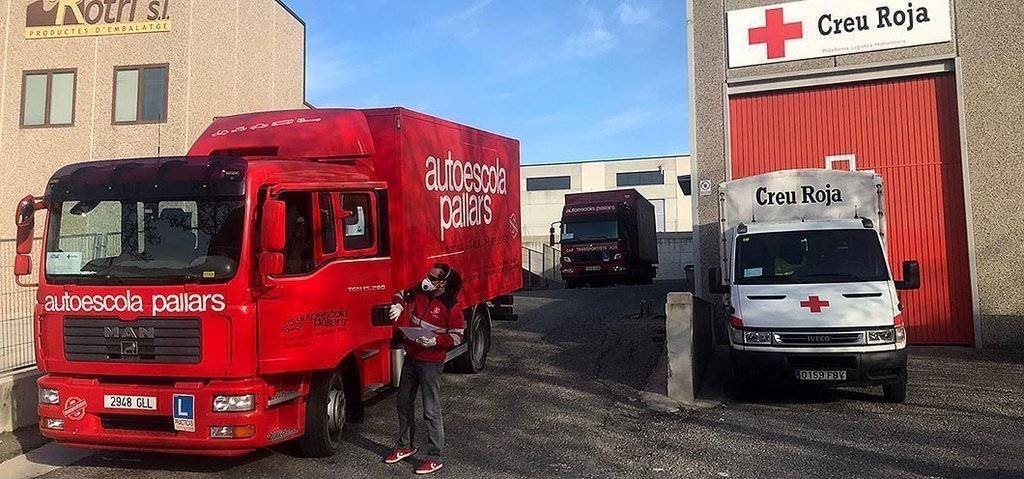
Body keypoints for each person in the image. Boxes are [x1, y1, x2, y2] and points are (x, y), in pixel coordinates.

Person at [383, 263, 465, 475]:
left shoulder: (452, 306)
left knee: (431, 409)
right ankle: (405, 446)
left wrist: (436, 341)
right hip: (412, 357)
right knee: (403, 402)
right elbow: (401, 294)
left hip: (431, 362)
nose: (427, 279)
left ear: (443, 282)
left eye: (432, 277)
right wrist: (399, 304)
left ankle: (434, 456)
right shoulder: (421, 289)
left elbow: (457, 336)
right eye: (427, 275)